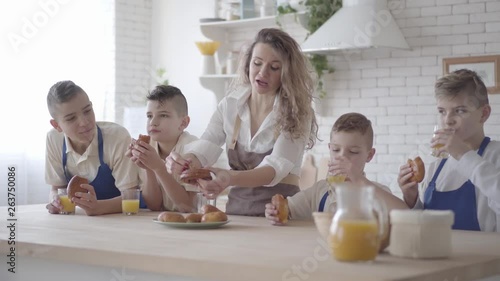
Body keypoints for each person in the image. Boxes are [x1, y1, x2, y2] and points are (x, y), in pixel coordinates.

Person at [166, 28, 319, 216]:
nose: (262, 73)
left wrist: (228, 177)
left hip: (281, 216)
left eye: (274, 67)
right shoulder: (229, 105)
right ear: (247, 64)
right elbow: (206, 144)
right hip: (236, 214)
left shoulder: (298, 114)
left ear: (287, 73)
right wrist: (186, 162)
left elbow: (273, 170)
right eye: (257, 63)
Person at [398, 69, 500, 232]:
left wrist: (463, 154)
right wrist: (411, 199)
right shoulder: (435, 164)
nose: (447, 120)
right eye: (442, 111)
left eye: (460, 111)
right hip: (436, 255)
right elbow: (423, 225)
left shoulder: (496, 155)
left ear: (484, 114)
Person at [265, 113, 407, 223]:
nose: (342, 157)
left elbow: (404, 214)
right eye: (336, 150)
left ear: (369, 155)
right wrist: (274, 212)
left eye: (353, 152)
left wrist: (358, 179)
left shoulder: (376, 192)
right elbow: (288, 209)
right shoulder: (320, 191)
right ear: (329, 149)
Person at [45, 80, 139, 216]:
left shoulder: (117, 137)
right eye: (71, 118)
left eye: (87, 111)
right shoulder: (54, 139)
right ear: (57, 125)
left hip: (121, 221)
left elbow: (131, 195)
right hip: (82, 223)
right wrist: (55, 200)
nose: (84, 122)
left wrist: (98, 208)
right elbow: (57, 188)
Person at [127, 85, 199, 212]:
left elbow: (188, 207)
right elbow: (154, 205)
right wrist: (148, 168)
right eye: (149, 116)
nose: (153, 122)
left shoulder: (194, 150)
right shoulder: (149, 147)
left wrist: (158, 167)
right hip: (162, 221)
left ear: (183, 123)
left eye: (163, 115)